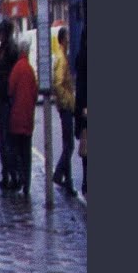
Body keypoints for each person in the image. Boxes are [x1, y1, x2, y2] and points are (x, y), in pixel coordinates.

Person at [7, 38, 37, 199]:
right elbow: (35, 92)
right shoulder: (30, 70)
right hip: (28, 118)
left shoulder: (17, 69)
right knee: (27, 153)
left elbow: (10, 90)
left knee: (17, 151)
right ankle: (27, 185)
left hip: (16, 118)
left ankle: (20, 178)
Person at [0, 20, 19, 191]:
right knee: (3, 141)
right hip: (0, 98)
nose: (0, 36)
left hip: (6, 100)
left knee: (8, 141)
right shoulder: (2, 48)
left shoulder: (11, 49)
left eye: (2, 33)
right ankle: (6, 175)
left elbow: (12, 76)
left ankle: (13, 176)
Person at [51, 27, 78, 197]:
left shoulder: (62, 56)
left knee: (67, 144)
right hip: (66, 107)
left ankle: (66, 180)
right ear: (62, 39)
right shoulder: (61, 59)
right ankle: (59, 174)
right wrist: (67, 102)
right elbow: (59, 83)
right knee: (69, 145)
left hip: (66, 106)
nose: (69, 39)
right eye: (67, 37)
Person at [74, 27, 88, 195]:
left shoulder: (80, 56)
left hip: (83, 106)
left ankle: (86, 180)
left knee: (86, 145)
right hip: (86, 107)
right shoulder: (85, 57)